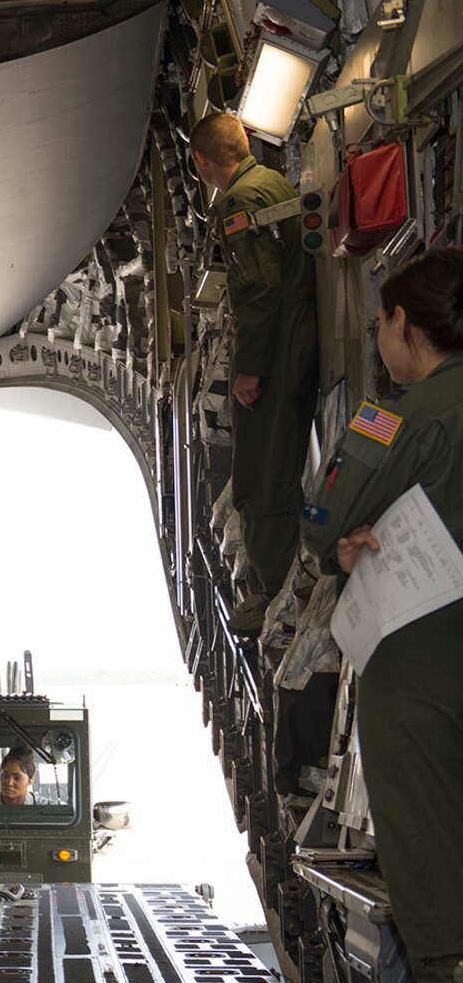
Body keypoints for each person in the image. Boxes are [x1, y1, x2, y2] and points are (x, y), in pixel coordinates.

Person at [299, 247, 463, 983]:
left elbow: (324, 516)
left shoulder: (398, 415)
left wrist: (346, 536)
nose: (378, 340)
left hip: (424, 674)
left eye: (381, 325)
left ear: (406, 326)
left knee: (434, 881)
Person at [190, 111, 319, 633]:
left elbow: (256, 291)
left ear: (202, 160)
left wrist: (249, 369)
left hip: (277, 353)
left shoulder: (238, 202)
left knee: (261, 478)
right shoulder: (272, 182)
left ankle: (275, 593)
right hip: (301, 339)